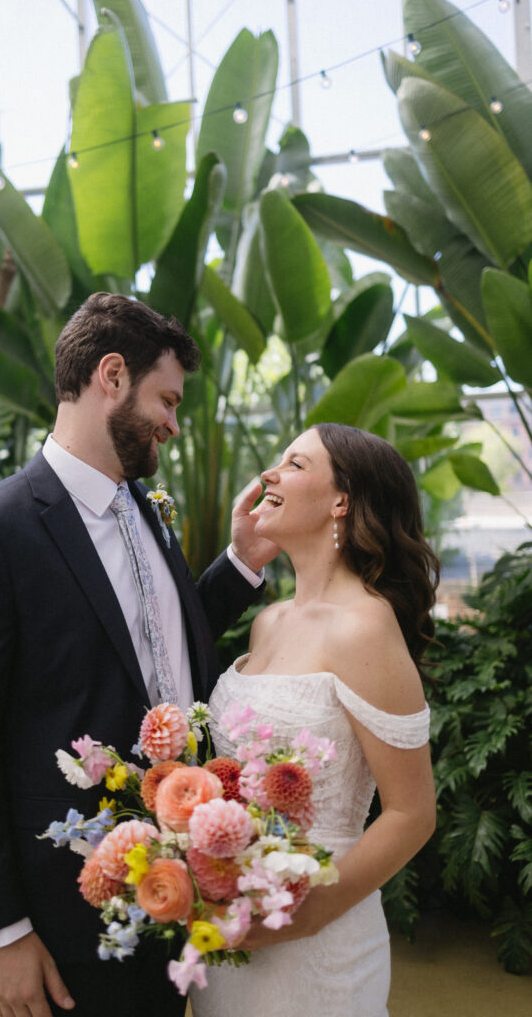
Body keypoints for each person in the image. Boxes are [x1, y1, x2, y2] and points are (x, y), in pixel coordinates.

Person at [0, 293, 275, 1017]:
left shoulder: (147, 509)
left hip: (174, 886)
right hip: (70, 912)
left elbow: (159, 651)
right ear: (110, 375)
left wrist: (240, 563)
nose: (173, 425)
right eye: (166, 400)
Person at [190, 423, 439, 1017]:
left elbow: (412, 814)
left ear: (341, 501)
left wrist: (301, 919)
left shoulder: (365, 628)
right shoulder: (267, 622)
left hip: (317, 945)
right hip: (230, 933)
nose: (269, 475)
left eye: (295, 464)